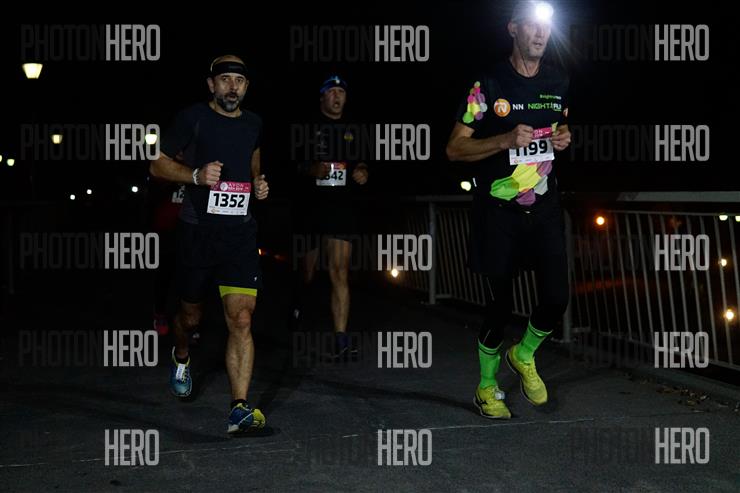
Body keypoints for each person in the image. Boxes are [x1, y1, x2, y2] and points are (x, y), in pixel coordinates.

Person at [446, 0, 572, 419]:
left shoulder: (559, 80)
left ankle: (525, 353)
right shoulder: (488, 83)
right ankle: (487, 387)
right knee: (499, 307)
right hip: (498, 212)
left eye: (546, 26)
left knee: (556, 298)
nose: (540, 33)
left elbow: (557, 125)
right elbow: (454, 148)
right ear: (513, 29)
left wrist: (563, 137)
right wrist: (503, 140)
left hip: (545, 206)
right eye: (531, 25)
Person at [149, 55, 269, 433]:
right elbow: (157, 164)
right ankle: (182, 354)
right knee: (191, 318)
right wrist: (196, 175)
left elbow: (253, 155)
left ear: (246, 87)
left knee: (242, 318)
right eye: (225, 80)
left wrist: (258, 181)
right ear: (211, 85)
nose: (233, 87)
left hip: (239, 234)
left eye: (239, 81)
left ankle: (239, 408)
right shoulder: (192, 117)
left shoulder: (254, 123)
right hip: (198, 233)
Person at [291, 75, 368, 359]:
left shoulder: (355, 129)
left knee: (339, 271)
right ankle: (298, 305)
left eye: (341, 92)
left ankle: (340, 339)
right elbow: (291, 166)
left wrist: (362, 171)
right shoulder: (307, 128)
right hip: (311, 207)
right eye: (331, 92)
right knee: (307, 273)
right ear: (322, 97)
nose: (337, 97)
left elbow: (363, 161)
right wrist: (310, 170)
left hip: (341, 208)